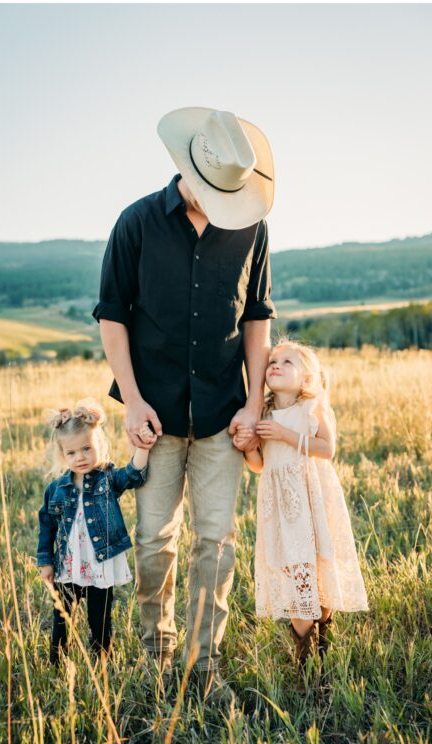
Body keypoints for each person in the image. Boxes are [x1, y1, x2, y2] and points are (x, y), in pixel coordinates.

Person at [93, 107, 276, 694]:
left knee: (215, 543)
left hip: (226, 412)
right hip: (156, 415)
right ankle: (157, 656)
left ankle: (205, 665)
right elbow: (112, 317)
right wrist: (132, 401)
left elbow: (256, 321)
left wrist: (254, 405)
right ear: (188, 169)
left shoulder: (253, 227)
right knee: (153, 541)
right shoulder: (136, 223)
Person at [237, 340, 369, 660]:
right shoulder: (263, 412)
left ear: (307, 378)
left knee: (318, 576)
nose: (276, 366)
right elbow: (259, 466)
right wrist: (248, 447)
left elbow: (327, 449)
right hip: (283, 510)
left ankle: (320, 647)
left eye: (287, 362)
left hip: (313, 502)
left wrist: (285, 435)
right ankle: (305, 665)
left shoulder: (313, 406)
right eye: (272, 362)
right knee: (298, 581)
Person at [36, 400, 150, 666]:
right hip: (69, 565)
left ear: (99, 444)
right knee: (62, 614)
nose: (81, 457)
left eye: (87, 448)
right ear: (63, 455)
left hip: (100, 563)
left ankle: (102, 659)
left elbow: (133, 475)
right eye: (72, 453)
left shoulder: (107, 478)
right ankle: (57, 660)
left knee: (100, 617)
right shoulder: (57, 489)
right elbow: (47, 526)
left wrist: (142, 448)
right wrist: (45, 561)